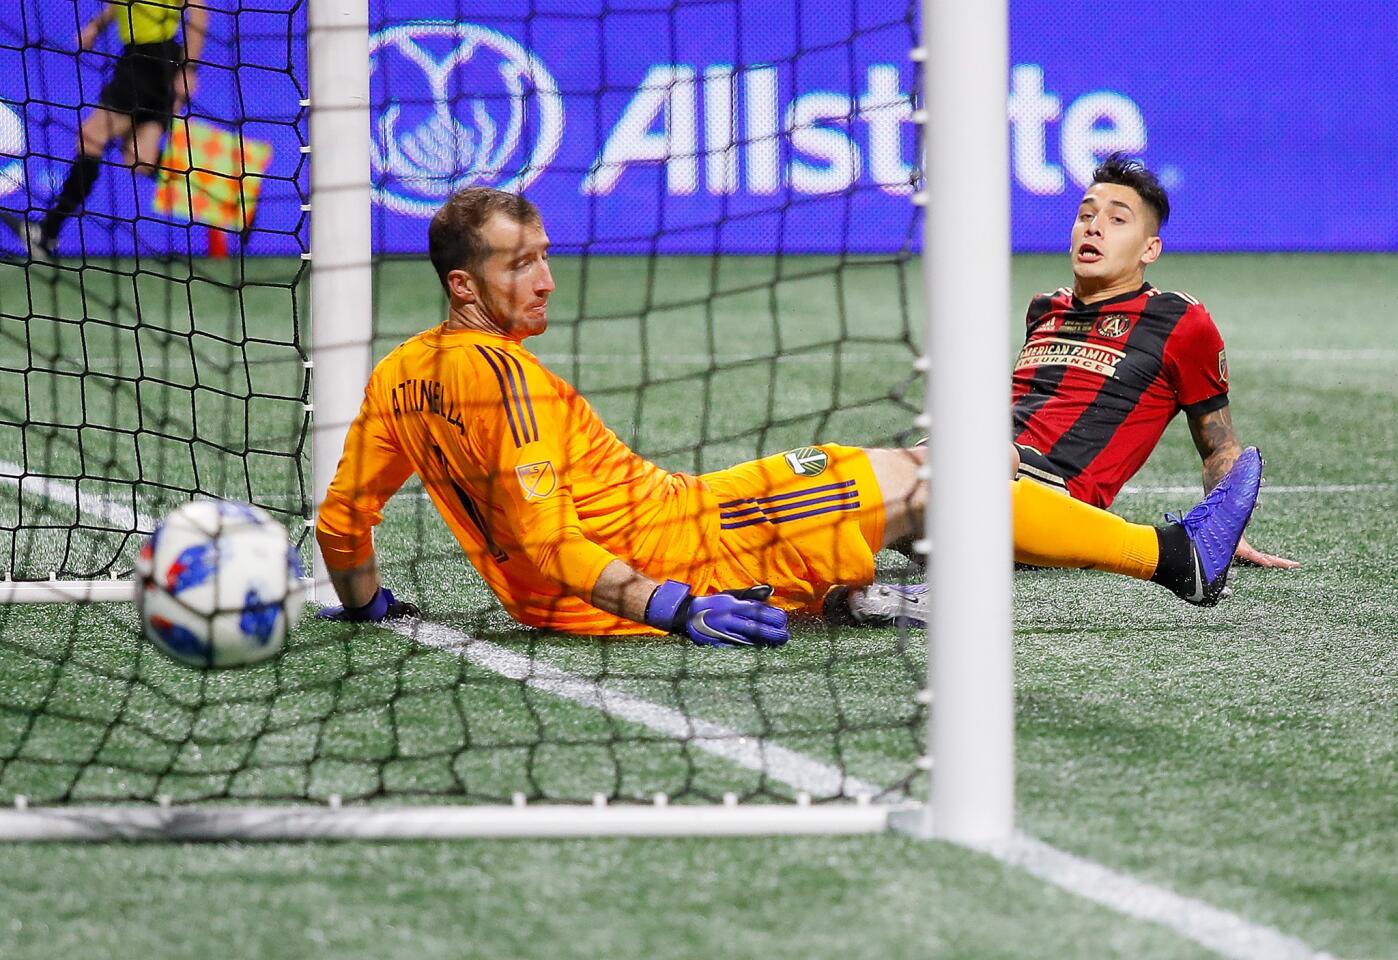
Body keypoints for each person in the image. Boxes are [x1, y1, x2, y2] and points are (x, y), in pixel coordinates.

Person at [314, 188, 1263, 647]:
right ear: (462, 285)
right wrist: (673, 606)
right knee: (940, 479)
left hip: (625, 555)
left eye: (545, 254)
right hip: (675, 544)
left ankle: (842, 588)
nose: (546, 279)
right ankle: (1175, 558)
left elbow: (341, 522)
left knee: (894, 477)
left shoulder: (402, 373)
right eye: (519, 264)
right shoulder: (499, 380)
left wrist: (369, 608)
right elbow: (550, 539)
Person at [1012, 153, 1296, 569]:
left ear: (1150, 249)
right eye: (1085, 215)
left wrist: (1228, 532)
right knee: (905, 467)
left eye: (1117, 220)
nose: (1094, 226)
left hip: (1056, 498)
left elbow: (1219, 444)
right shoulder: (1044, 308)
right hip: (990, 462)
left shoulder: (1179, 321)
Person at [2, 0, 207, 261]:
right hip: (153, 63)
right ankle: (230, 198)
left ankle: (46, 234)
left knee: (91, 138)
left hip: (148, 63)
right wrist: (96, 26)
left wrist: (190, 69)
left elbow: (199, 13)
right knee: (139, 158)